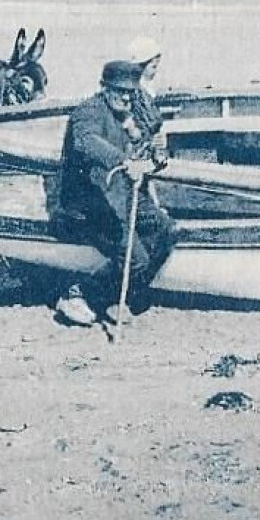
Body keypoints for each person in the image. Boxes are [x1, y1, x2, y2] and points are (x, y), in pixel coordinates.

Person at [51, 60, 174, 327]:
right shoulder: (88, 112)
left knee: (165, 229)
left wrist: (156, 154)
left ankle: (117, 297)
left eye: (130, 91)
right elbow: (86, 142)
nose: (126, 97)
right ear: (104, 88)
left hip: (120, 195)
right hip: (85, 203)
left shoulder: (127, 112)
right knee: (136, 258)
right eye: (119, 91)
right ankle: (78, 293)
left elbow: (147, 145)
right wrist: (122, 159)